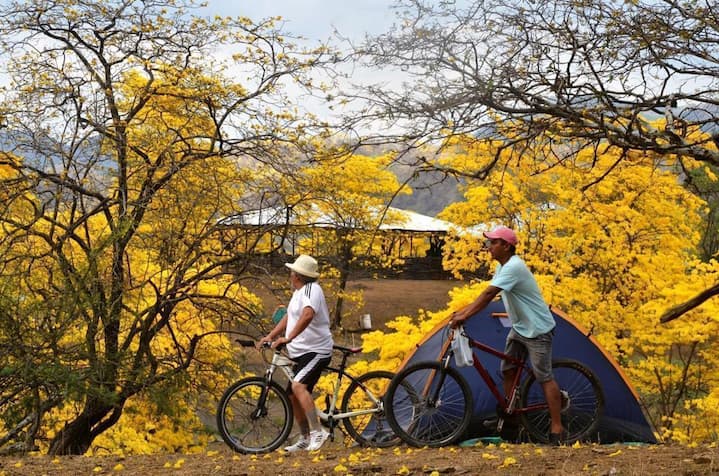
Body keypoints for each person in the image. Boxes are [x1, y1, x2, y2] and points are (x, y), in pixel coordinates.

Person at [449, 226, 565, 445]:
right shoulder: (502, 267)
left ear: (506, 246)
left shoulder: (514, 267)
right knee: (508, 370)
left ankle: (557, 427)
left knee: (544, 376)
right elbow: (487, 293)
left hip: (538, 329)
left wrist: (465, 316)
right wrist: (462, 313)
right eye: (489, 242)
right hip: (520, 327)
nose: (489, 247)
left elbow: (489, 294)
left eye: (493, 242)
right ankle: (512, 418)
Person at [258, 254, 334, 452]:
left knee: (299, 386)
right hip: (302, 352)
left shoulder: (312, 290)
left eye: (291, 273)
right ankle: (305, 437)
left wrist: (288, 338)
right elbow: (289, 319)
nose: (290, 276)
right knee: (291, 395)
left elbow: (308, 315)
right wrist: (271, 336)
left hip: (316, 350)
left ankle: (319, 432)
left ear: (298, 276)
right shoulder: (298, 293)